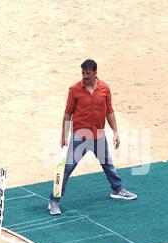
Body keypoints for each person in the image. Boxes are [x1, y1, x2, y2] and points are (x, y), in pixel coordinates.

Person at [48, 59, 137, 215]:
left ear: (95, 73)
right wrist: (64, 136)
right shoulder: (74, 90)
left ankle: (117, 189)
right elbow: (67, 114)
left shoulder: (105, 89)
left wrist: (115, 132)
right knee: (66, 169)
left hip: (98, 136)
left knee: (108, 165)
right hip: (79, 137)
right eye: (83, 73)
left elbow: (109, 111)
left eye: (88, 73)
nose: (85, 76)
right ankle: (54, 201)